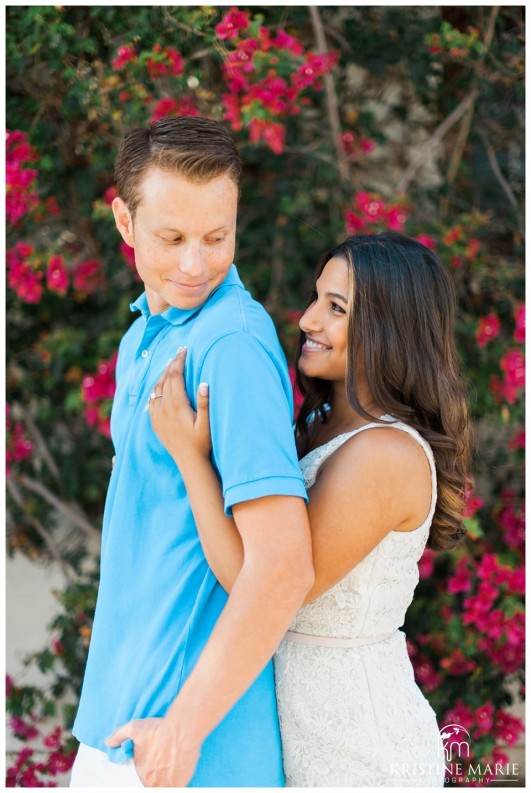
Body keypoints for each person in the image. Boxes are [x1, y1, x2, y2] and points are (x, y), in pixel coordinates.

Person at [150, 231, 472, 787]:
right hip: (305, 739)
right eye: (316, 298)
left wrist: (190, 459)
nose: (306, 320)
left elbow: (262, 583)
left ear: (390, 328)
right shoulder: (317, 424)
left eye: (336, 308)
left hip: (365, 749)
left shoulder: (385, 455)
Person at [69, 116, 314, 788]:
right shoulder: (141, 336)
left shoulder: (230, 342)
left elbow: (282, 568)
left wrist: (183, 728)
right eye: (170, 238)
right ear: (124, 222)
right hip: (118, 727)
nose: (195, 265)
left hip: (191, 750)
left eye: (217, 237)